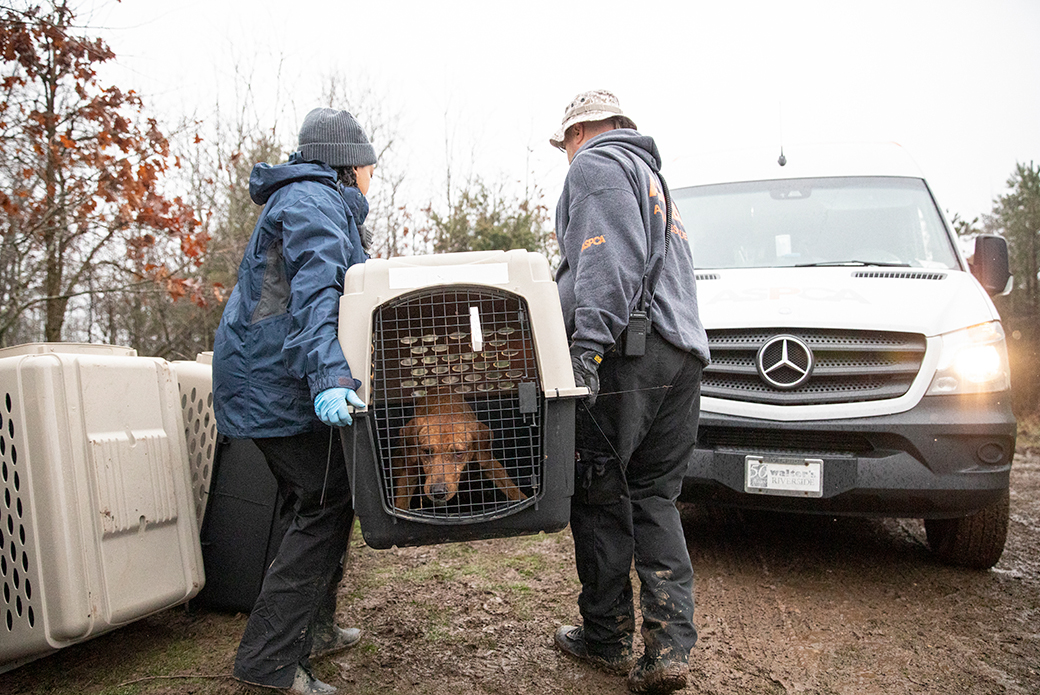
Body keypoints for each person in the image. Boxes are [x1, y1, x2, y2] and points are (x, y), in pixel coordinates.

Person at [548, 90, 711, 694]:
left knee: (595, 493)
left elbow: (606, 261)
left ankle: (607, 638)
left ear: (584, 130)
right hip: (681, 358)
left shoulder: (596, 166)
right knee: (654, 497)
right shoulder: (654, 183)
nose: (566, 153)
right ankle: (669, 649)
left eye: (566, 139)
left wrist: (585, 350)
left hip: (626, 356)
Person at [212, 107, 377, 695]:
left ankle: (315, 628)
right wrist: (330, 376)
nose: (372, 178)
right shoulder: (312, 203)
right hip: (273, 384)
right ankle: (269, 661)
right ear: (350, 164)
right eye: (370, 167)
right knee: (326, 502)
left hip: (271, 380)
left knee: (319, 499)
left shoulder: (314, 201)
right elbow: (316, 297)